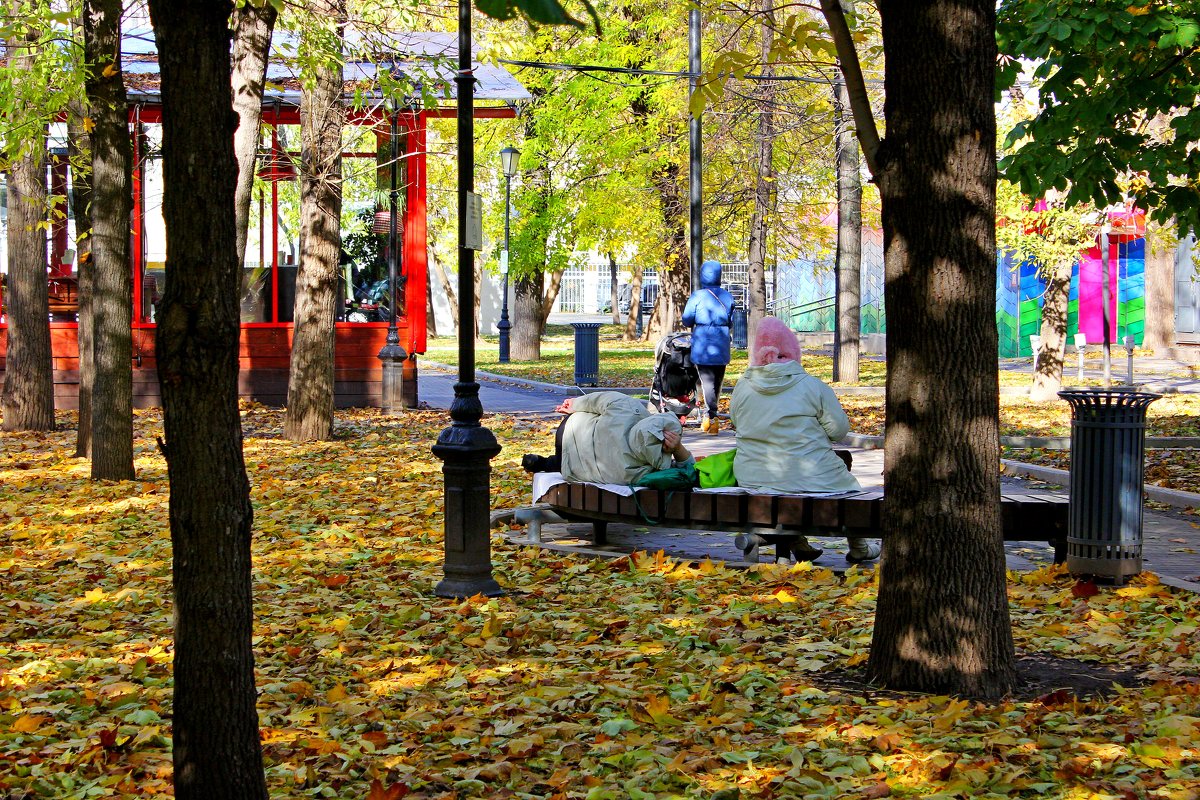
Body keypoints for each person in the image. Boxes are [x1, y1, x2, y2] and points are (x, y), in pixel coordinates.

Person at [729, 317, 881, 563]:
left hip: (754, 478)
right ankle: (859, 548)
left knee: (796, 483)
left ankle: (796, 541)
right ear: (793, 353)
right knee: (846, 480)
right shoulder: (812, 386)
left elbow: (736, 421)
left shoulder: (742, 387)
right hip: (812, 478)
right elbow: (838, 431)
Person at [522, 391, 694, 485]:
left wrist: (574, 404)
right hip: (571, 467)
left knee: (572, 454)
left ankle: (540, 463)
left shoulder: (629, 408)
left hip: (570, 428)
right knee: (565, 461)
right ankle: (543, 464)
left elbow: (597, 400)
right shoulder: (642, 474)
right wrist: (678, 450)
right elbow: (690, 472)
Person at [681, 259, 734, 434]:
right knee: (717, 382)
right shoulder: (727, 296)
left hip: (703, 344)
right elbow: (731, 320)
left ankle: (711, 416)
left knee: (706, 382)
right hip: (722, 343)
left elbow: (687, 319)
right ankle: (711, 416)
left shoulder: (697, 296)